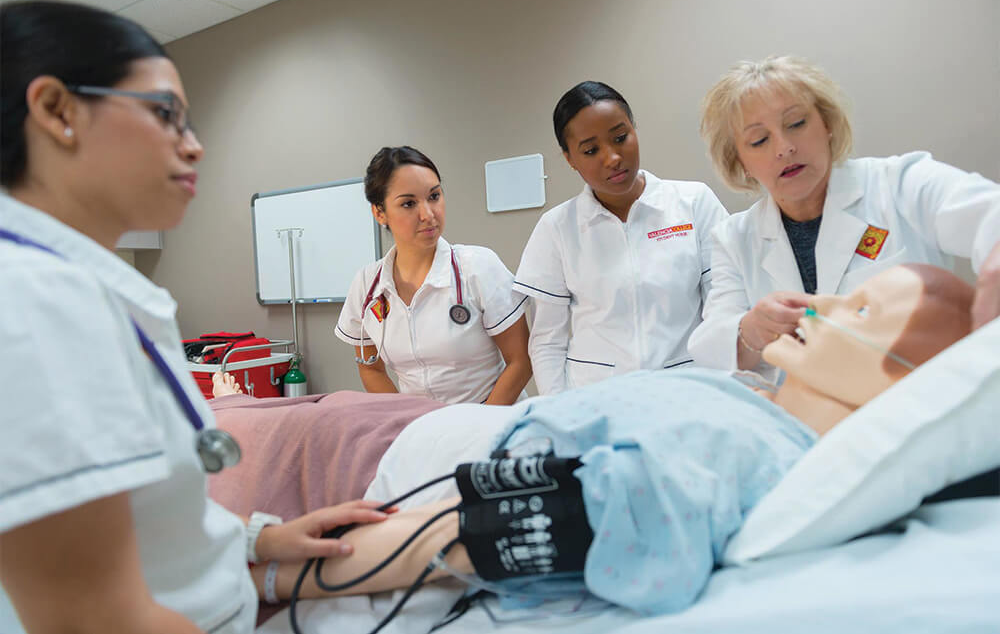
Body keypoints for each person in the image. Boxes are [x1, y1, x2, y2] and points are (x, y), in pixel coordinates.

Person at [260, 263, 979, 617]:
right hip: (399, 423)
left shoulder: (742, 449)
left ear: (902, 378)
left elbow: (450, 535)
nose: (817, 306)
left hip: (375, 456)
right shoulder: (751, 404)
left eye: (860, 310)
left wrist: (259, 576)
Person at [0, 0, 391, 634]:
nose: (195, 145)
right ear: (56, 110)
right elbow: (95, 619)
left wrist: (261, 538)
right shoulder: (33, 303)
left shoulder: (83, 290)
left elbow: (140, 520)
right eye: (165, 114)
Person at [687, 55, 1000, 375]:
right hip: (808, 405)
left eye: (796, 123)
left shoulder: (900, 183)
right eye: (759, 140)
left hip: (921, 391)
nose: (784, 147)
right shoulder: (734, 240)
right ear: (740, 163)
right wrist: (751, 329)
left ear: (827, 124)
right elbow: (713, 347)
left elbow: (990, 212)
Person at [513, 81, 729, 395]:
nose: (613, 157)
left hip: (687, 390)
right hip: (597, 399)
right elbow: (548, 342)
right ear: (570, 158)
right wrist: (558, 410)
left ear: (634, 129)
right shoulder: (557, 228)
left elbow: (724, 309)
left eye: (620, 137)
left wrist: (722, 391)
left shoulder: (693, 203)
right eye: (591, 150)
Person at [335, 146, 531, 405]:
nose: (428, 214)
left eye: (434, 196)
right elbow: (371, 369)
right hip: (421, 423)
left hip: (493, 416)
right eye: (408, 203)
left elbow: (521, 361)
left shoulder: (478, 267)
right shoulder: (366, 285)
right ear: (379, 212)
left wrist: (479, 421)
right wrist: (406, 420)